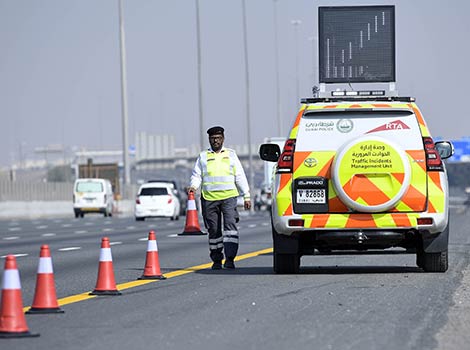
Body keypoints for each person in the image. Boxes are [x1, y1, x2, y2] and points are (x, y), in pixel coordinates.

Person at [188, 126, 251, 269]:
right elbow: (197, 175)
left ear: (223, 139)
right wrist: (193, 186)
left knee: (230, 228)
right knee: (214, 231)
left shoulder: (231, 155)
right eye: (213, 138)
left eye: (218, 138)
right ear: (209, 140)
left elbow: (239, 176)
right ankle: (216, 260)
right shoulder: (203, 156)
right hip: (209, 198)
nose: (215, 141)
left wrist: (246, 195)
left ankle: (230, 259)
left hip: (229, 197)